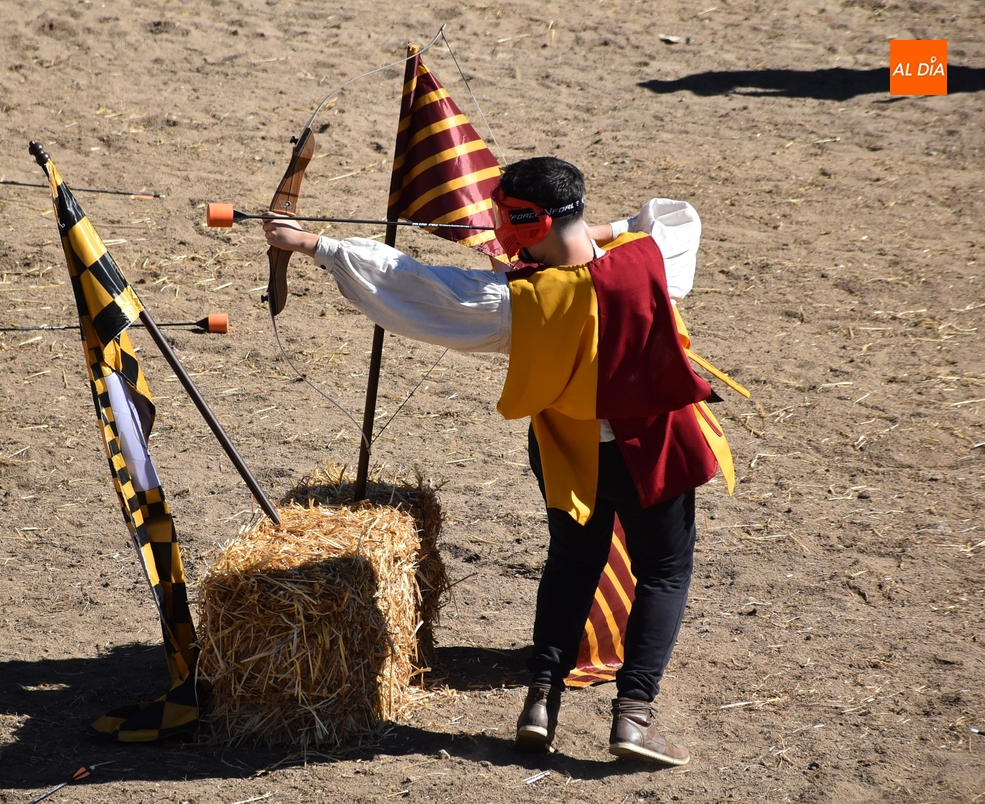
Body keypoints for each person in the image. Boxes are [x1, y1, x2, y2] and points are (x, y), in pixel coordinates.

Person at [262, 156, 734, 766]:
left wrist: (312, 244)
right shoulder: (652, 259)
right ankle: (634, 718)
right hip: (654, 447)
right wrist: (594, 231)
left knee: (572, 565)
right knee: (663, 572)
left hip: (569, 453)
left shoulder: (515, 302)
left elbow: (412, 284)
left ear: (529, 223)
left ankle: (540, 703)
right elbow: (673, 217)